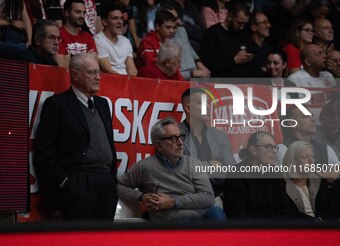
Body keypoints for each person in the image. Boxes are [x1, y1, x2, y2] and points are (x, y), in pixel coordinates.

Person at [34, 53, 118, 221]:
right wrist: (65, 182)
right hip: (79, 181)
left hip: (106, 182)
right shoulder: (58, 104)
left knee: (104, 241)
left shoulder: (102, 104)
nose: (98, 77)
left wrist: (111, 178)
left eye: (98, 72)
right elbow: (44, 151)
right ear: (75, 74)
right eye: (91, 73)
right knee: (79, 242)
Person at [117, 117, 226, 222]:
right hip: (173, 222)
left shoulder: (193, 164)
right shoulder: (144, 167)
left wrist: (174, 202)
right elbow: (117, 186)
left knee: (217, 212)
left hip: (202, 218)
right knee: (184, 222)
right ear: (159, 145)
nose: (180, 142)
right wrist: (141, 197)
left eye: (181, 137)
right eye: (173, 138)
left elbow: (208, 197)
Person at [222, 131, 295, 219]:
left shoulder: (275, 173)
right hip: (251, 230)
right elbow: (237, 216)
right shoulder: (235, 175)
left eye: (275, 147)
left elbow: (285, 209)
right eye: (269, 147)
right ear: (253, 150)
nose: (274, 151)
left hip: (277, 227)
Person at [180, 88, 236, 195]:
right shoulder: (175, 135)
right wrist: (210, 164)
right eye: (202, 103)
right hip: (189, 196)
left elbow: (232, 171)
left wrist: (199, 169)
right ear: (188, 108)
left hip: (220, 195)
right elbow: (182, 172)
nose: (209, 107)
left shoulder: (219, 135)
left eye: (208, 102)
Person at [283, 141, 340, 219]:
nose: (311, 161)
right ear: (292, 161)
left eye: (312, 156)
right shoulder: (281, 186)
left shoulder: (320, 181)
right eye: (305, 157)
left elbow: (330, 210)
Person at [200, 0, 254, 77]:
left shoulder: (244, 33)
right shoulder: (212, 34)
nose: (242, 27)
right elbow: (209, 64)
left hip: (244, 79)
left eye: (244, 24)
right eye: (239, 23)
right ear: (230, 16)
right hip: (222, 80)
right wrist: (234, 60)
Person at [94, 2, 137, 75]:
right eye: (115, 18)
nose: (120, 22)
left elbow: (132, 70)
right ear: (104, 22)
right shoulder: (98, 40)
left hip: (126, 81)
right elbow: (107, 69)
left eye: (121, 18)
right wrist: (123, 82)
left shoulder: (126, 41)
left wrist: (129, 83)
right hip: (109, 80)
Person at [56, 0, 97, 67]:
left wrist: (70, 57)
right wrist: (87, 58)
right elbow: (61, 63)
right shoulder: (57, 34)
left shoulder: (88, 37)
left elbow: (93, 64)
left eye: (84, 13)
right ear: (67, 12)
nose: (82, 16)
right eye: (78, 12)